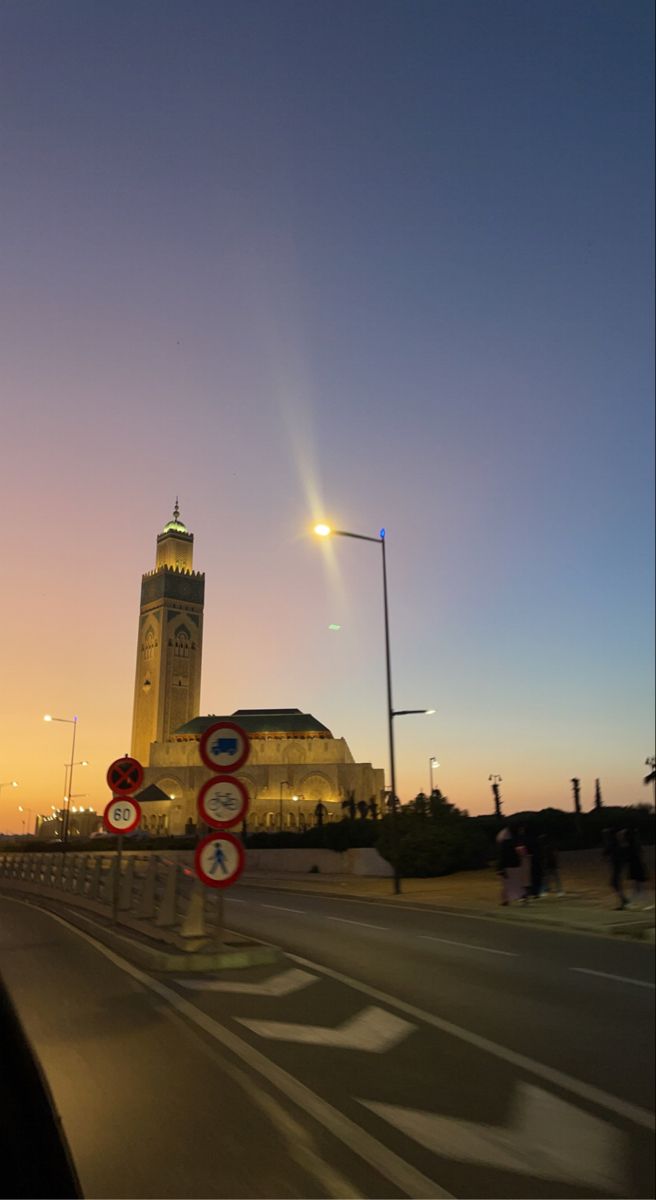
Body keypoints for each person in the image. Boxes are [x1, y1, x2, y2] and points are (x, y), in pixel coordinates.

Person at [496, 827, 524, 904]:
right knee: (517, 882)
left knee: (505, 883)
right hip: (515, 864)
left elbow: (501, 857)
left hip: (506, 865)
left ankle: (505, 900)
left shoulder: (503, 844)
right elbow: (521, 852)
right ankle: (521, 897)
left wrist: (500, 867)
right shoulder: (516, 841)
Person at [603, 828, 628, 910]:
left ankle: (623, 900)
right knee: (616, 883)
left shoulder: (612, 843)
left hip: (617, 865)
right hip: (619, 865)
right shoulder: (618, 843)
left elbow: (606, 853)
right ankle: (623, 900)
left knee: (614, 883)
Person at [625, 828, 649, 905]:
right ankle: (639, 895)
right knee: (638, 881)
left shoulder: (632, 843)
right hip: (636, 863)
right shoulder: (634, 843)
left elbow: (639, 853)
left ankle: (639, 895)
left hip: (635, 863)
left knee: (637, 881)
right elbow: (640, 853)